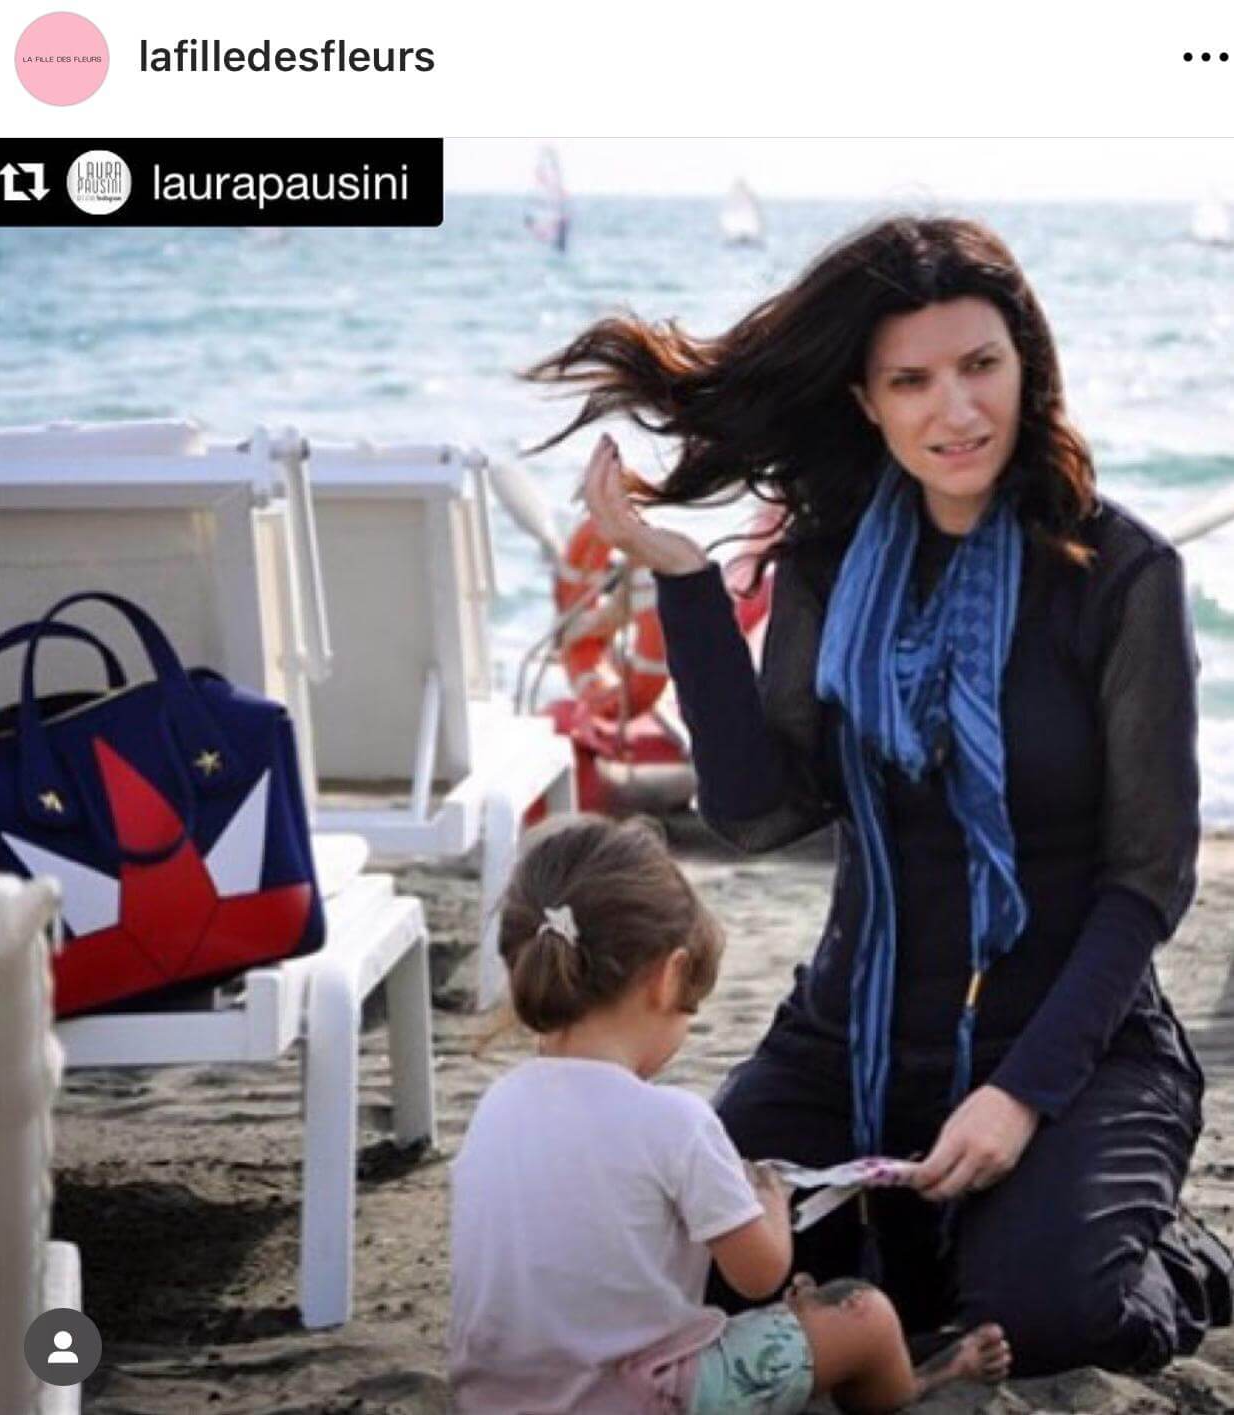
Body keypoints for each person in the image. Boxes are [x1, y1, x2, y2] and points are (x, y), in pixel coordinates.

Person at [521, 213, 1234, 1378]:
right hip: (848, 1035)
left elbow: (1146, 879)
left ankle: (1181, 1254)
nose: (956, 409)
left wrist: (1018, 1094)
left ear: (1027, 368)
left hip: (1072, 1042)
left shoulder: (1120, 574)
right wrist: (686, 583)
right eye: (911, 380)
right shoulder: (829, 564)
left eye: (980, 365)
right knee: (681, 1269)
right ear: (865, 400)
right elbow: (757, 811)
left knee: (1047, 1315)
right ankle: (942, 1249)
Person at [448, 813, 1012, 1413]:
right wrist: (769, 1204)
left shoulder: (495, 1107)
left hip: (491, 1398)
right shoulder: (674, 1120)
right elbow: (759, 1274)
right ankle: (912, 1388)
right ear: (668, 978)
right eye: (689, 1009)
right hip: (640, 1398)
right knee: (865, 1314)